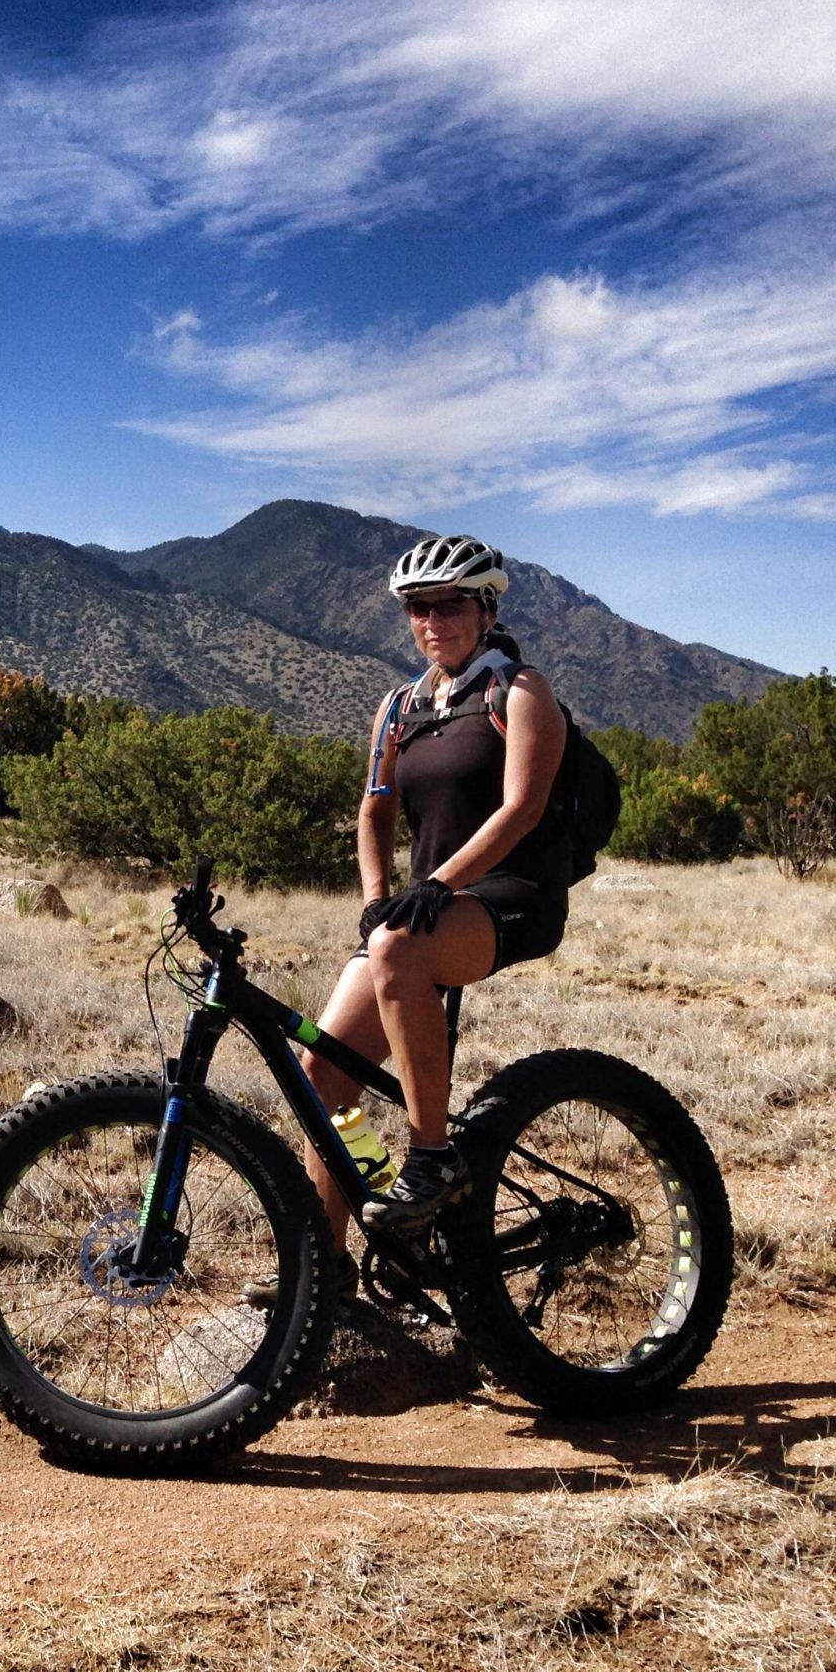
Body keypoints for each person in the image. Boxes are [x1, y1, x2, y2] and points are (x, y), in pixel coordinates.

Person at [280, 534, 570, 1295]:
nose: (432, 619)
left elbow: (521, 809)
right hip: (419, 911)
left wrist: (436, 884)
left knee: (402, 950)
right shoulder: (400, 706)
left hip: (511, 896)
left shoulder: (520, 693)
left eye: (448, 604)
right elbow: (374, 812)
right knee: (322, 1075)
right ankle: (328, 1267)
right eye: (419, 608)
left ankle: (432, 1155)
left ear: (485, 608)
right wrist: (378, 897)